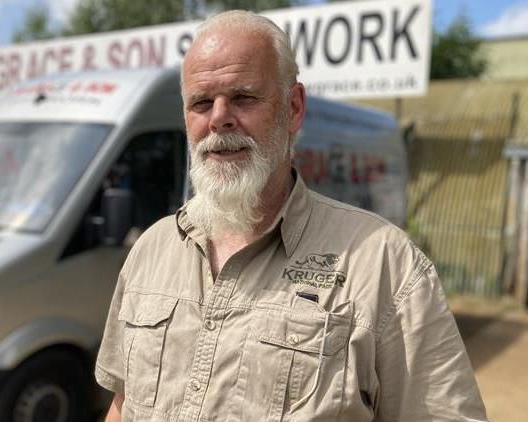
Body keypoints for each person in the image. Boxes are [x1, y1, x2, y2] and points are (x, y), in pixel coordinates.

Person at [95, 10, 487, 422]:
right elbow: (124, 403)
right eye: (201, 102)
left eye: (243, 97)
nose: (219, 118)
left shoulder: (385, 264)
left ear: (294, 108)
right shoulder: (152, 249)